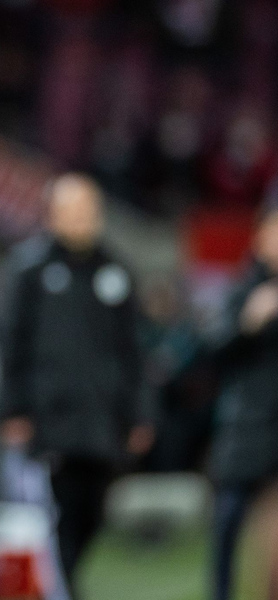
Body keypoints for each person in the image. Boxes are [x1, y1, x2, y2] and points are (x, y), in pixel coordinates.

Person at [0, 173, 152, 596]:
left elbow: (137, 350)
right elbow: (10, 345)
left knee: (93, 514)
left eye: (88, 211)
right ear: (51, 216)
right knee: (53, 517)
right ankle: (63, 590)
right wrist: (12, 410)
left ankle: (68, 583)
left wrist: (140, 413)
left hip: (103, 423)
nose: (81, 220)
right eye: (72, 211)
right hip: (49, 422)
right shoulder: (29, 270)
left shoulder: (117, 271)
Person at [206, 199, 278, 600]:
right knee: (230, 519)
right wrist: (247, 323)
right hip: (248, 426)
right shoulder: (244, 289)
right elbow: (213, 351)